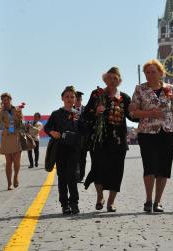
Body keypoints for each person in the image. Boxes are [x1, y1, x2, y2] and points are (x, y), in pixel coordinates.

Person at [130, 59, 173, 213]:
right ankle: (148, 200)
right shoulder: (140, 89)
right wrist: (150, 113)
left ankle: (158, 201)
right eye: (147, 72)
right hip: (147, 132)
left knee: (163, 167)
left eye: (153, 72)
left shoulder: (169, 89)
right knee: (149, 166)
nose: (149, 75)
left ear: (160, 73)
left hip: (168, 132)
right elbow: (133, 112)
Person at [83, 67, 137, 212]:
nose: (112, 81)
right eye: (109, 78)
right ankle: (100, 196)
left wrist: (135, 109)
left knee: (116, 171)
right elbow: (86, 114)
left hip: (118, 141)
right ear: (105, 79)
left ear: (119, 81)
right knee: (98, 168)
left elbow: (133, 118)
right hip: (99, 139)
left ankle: (111, 202)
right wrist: (96, 111)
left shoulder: (124, 98)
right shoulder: (97, 94)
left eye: (115, 78)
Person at [44, 86, 84, 215]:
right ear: (62, 98)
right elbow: (47, 128)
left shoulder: (78, 114)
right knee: (62, 177)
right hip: (60, 149)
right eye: (67, 96)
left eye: (72, 97)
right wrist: (52, 132)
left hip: (73, 150)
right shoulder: (56, 114)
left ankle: (74, 204)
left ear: (75, 99)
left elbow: (84, 131)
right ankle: (64, 204)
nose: (69, 99)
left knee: (72, 177)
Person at [0, 93, 24, 190]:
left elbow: (21, 122)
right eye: (3, 100)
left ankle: (16, 177)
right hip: (6, 138)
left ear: (10, 100)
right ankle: (9, 183)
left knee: (16, 161)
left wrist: (19, 116)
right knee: (8, 162)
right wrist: (0, 112)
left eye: (7, 100)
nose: (5, 102)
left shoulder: (17, 109)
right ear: (2, 102)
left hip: (16, 137)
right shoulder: (1, 111)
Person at [74, 91, 88, 182]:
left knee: (83, 158)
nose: (78, 101)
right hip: (74, 138)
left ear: (81, 100)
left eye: (79, 99)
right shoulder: (70, 109)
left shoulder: (86, 109)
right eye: (76, 99)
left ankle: (81, 175)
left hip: (84, 138)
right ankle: (75, 175)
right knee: (75, 158)